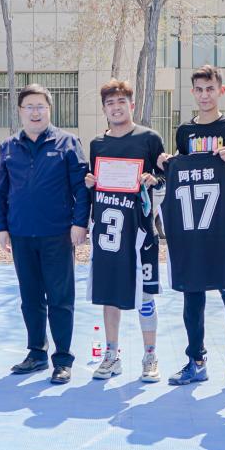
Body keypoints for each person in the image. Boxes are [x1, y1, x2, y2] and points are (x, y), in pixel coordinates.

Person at [157, 64, 225, 393]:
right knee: (192, 297)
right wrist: (165, 163)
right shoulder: (185, 131)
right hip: (192, 227)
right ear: (192, 92)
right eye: (198, 89)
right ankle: (196, 360)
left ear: (221, 91)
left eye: (210, 88)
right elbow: (180, 172)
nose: (204, 95)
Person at [0, 83, 90, 385]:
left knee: (60, 298)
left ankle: (62, 359)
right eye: (29, 107)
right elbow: (0, 191)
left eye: (41, 107)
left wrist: (80, 223)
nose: (35, 112)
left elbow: (81, 188)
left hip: (57, 234)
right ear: (20, 111)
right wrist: (1, 227)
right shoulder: (8, 146)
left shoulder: (68, 143)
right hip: (21, 235)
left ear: (49, 109)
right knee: (30, 298)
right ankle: (36, 353)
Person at [83, 79, 166, 382]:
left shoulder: (149, 138)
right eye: (110, 103)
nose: (116, 108)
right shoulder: (97, 144)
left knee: (145, 295)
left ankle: (150, 355)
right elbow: (94, 182)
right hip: (109, 232)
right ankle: (111, 354)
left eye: (121, 102)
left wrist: (153, 180)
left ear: (131, 105)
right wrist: (90, 182)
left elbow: (165, 176)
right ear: (104, 108)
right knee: (109, 295)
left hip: (140, 230)